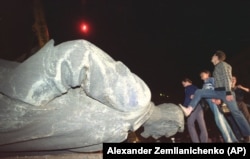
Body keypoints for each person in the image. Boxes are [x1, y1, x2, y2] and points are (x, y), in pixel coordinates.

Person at [179, 50, 250, 143]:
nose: (211, 58)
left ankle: (246, 133)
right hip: (219, 92)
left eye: (213, 56)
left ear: (217, 57)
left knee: (236, 113)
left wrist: (228, 93)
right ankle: (189, 109)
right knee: (200, 92)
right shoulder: (216, 68)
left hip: (225, 92)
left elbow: (227, 77)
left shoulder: (222, 65)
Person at [200, 70, 238, 142]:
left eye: (202, 74)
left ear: (207, 74)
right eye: (200, 75)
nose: (200, 75)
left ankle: (228, 140)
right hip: (212, 104)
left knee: (219, 121)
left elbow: (219, 88)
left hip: (215, 102)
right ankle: (233, 140)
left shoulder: (211, 79)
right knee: (223, 122)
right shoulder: (204, 84)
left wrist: (218, 98)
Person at [181, 78, 208, 143]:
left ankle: (196, 141)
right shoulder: (195, 87)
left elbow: (191, 97)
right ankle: (204, 141)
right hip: (199, 106)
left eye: (183, 83)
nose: (183, 85)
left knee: (190, 124)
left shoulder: (188, 87)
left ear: (187, 81)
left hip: (192, 107)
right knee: (202, 125)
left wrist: (184, 106)